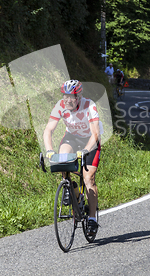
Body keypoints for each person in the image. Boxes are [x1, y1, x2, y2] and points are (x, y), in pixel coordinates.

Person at [43, 80, 101, 235]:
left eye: (72, 96)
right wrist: (49, 150)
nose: (68, 100)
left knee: (88, 178)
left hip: (90, 140)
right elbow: (48, 130)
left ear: (79, 96)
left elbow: (95, 133)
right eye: (65, 96)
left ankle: (92, 218)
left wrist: (86, 150)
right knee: (62, 160)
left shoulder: (89, 106)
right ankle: (71, 189)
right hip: (72, 138)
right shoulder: (60, 106)